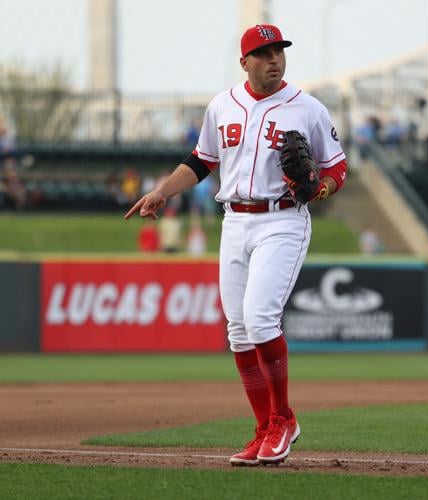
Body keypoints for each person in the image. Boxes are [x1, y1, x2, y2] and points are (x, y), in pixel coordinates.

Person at [125, 24, 347, 466]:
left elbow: (336, 169)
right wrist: (162, 192)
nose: (274, 60)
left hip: (282, 219)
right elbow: (202, 161)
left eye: (279, 51)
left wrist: (318, 189)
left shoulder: (308, 109)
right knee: (239, 329)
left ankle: (284, 419)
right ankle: (264, 426)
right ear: (244, 61)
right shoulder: (222, 105)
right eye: (263, 53)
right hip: (235, 222)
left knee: (261, 319)